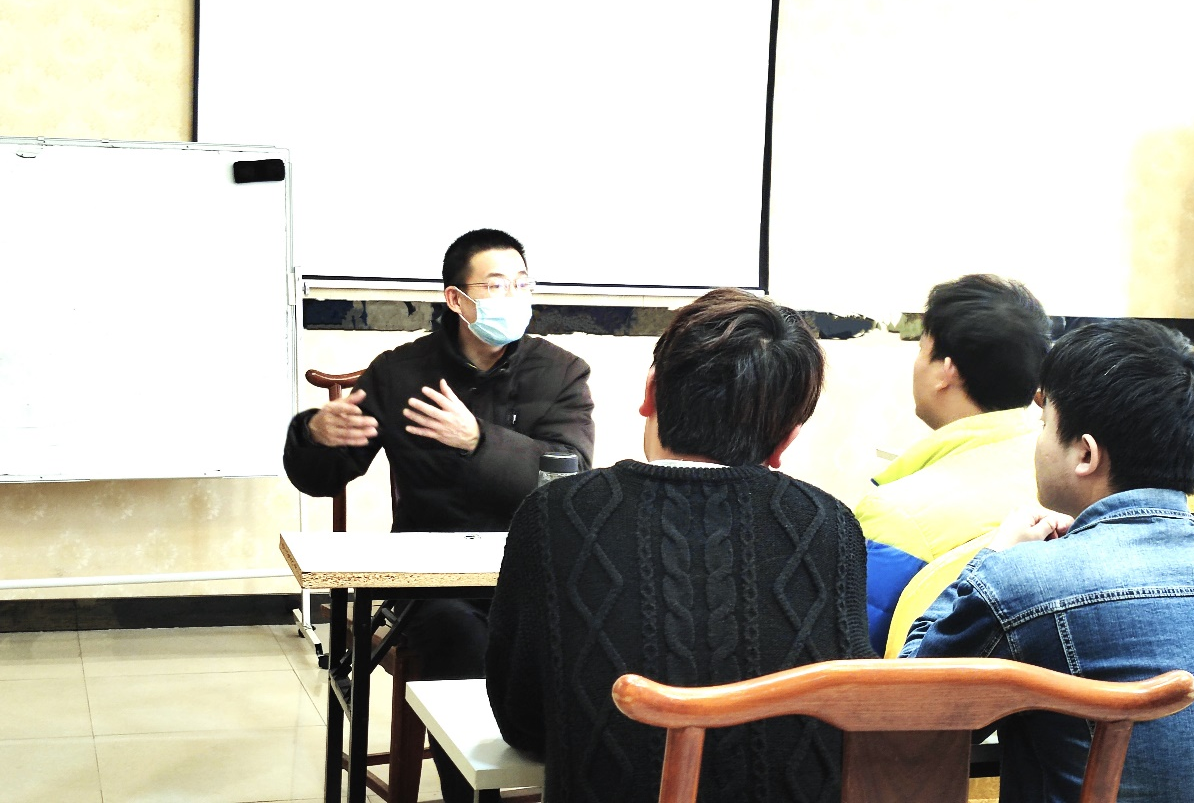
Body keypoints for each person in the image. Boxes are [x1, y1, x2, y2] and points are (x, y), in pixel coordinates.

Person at [485, 287, 875, 803]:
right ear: (786, 439)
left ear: (650, 392)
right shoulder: (829, 526)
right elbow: (849, 716)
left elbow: (522, 721)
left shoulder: (554, 514)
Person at [283, 228, 595, 803]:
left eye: (522, 285)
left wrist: (479, 441)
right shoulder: (401, 373)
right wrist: (313, 434)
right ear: (456, 298)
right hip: (430, 584)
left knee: (595, 630)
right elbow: (324, 477)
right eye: (496, 286)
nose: (513, 297)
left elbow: (568, 479)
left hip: (531, 573)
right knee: (457, 635)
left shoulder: (561, 372)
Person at [903, 319, 1194, 803]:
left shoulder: (1024, 581)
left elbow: (909, 715)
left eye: (1044, 426)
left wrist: (992, 556)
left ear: (1085, 454)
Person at [860, 274, 1052, 653]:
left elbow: (861, 656)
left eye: (921, 349)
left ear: (946, 371)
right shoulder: (1069, 484)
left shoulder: (895, 514)